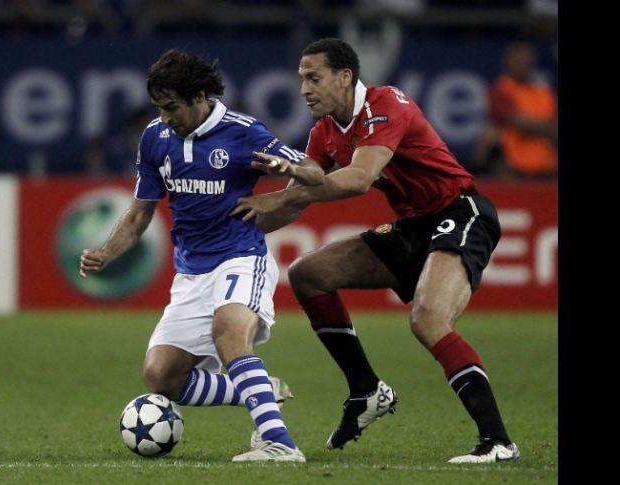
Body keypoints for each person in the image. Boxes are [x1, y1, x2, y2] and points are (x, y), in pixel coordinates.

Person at [230, 38, 520, 464]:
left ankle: (498, 442)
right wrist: (230, 225)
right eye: (301, 79)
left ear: (344, 78)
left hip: (460, 212)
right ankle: (366, 391)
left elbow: (360, 178)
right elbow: (293, 200)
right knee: (308, 274)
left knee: (428, 320)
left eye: (314, 78)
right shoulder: (324, 133)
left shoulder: (386, 104)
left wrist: (287, 183)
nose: (304, 89)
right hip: (412, 226)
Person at [79, 48, 324, 462]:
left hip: (240, 257)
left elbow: (316, 174)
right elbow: (140, 214)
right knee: (162, 376)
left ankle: (279, 442)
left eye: (171, 107)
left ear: (198, 98)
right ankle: (262, 389)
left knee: (229, 331)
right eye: (159, 108)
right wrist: (107, 252)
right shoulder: (155, 138)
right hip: (191, 272)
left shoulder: (244, 131)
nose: (165, 116)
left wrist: (288, 171)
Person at [472, 41, 558, 178]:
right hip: (515, 169)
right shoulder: (501, 89)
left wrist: (532, 125)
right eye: (519, 61)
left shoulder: (544, 92)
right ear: (508, 63)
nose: (523, 65)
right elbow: (516, 121)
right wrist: (545, 126)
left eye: (527, 62)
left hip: (548, 168)